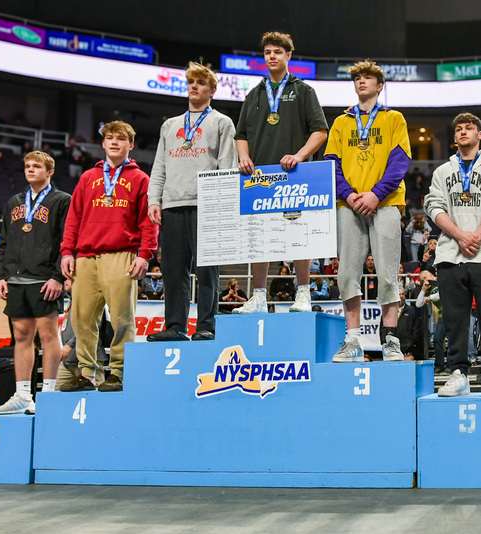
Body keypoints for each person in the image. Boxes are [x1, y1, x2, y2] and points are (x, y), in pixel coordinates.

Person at [233, 31, 328, 314]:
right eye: (267, 52)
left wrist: (299, 155)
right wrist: (243, 156)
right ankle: (259, 296)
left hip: (294, 176)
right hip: (260, 177)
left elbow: (320, 131)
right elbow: (241, 134)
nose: (271, 56)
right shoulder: (254, 94)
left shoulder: (303, 91)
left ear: (289, 56)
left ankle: (303, 294)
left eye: (277, 52)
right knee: (260, 238)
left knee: (297, 235)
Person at [322, 59, 411, 362]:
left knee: (387, 275)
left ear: (379, 85)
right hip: (348, 205)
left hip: (385, 203)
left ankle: (390, 341)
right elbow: (331, 164)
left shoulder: (394, 118)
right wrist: (349, 194)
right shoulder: (341, 122)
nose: (361, 81)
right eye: (357, 77)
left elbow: (399, 163)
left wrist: (375, 194)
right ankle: (352, 341)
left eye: (368, 77)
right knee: (347, 272)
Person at [60, 121, 158, 392]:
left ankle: (119, 372)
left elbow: (148, 221)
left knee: (122, 319)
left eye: (121, 139)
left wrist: (145, 254)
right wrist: (67, 252)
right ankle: (88, 373)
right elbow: (73, 218)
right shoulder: (87, 178)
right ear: (103, 144)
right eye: (110, 138)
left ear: (131, 145)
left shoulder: (140, 179)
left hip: (121, 254)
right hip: (85, 257)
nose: (114, 142)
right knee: (81, 319)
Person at [425, 112, 481, 396]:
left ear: (480, 135)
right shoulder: (442, 171)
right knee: (454, 319)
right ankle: (458, 372)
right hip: (451, 253)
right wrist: (461, 236)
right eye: (459, 129)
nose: (464, 132)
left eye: (470, 128)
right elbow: (433, 206)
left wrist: (475, 236)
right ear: (454, 137)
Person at [147, 62, 236, 342]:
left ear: (212, 90)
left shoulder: (222, 122)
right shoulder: (170, 125)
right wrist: (154, 198)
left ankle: (207, 325)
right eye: (190, 82)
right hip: (172, 203)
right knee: (174, 271)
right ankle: (175, 326)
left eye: (200, 82)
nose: (194, 86)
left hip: (206, 204)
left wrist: (222, 203)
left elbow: (227, 165)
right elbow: (160, 164)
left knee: (207, 270)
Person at [0, 151, 71, 414]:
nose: (30, 170)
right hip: (16, 278)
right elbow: (3, 241)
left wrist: (58, 277)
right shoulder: (15, 201)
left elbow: (67, 241)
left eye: (37, 166)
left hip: (44, 278)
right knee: (21, 336)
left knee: (48, 336)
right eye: (27, 166)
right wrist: (1, 275)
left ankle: (48, 393)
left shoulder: (61, 201)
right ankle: (23, 395)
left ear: (50, 171)